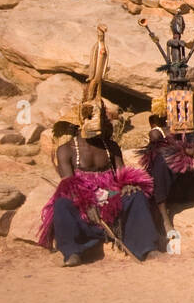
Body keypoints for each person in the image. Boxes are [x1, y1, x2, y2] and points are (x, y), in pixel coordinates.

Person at [39, 26, 161, 264]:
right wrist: (86, 202)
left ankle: (146, 246)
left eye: (102, 118)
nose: (99, 123)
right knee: (63, 205)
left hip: (110, 196)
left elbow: (121, 175)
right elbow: (68, 185)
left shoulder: (111, 147)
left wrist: (127, 186)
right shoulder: (66, 150)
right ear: (81, 120)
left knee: (136, 197)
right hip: (80, 199)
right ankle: (72, 251)